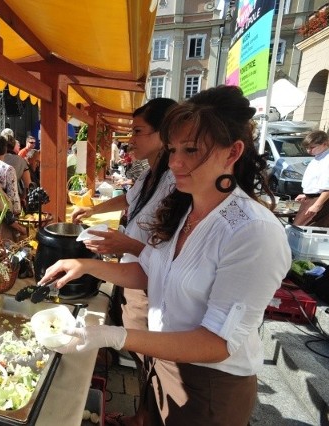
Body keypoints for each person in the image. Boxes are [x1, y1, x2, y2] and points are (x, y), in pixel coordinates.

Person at [40, 86, 290, 425]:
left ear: (232, 153)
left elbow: (218, 343)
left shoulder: (252, 231)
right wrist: (85, 265)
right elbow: (148, 273)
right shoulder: (187, 211)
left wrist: (114, 335)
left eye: (191, 150)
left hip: (209, 385)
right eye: (173, 149)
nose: (175, 163)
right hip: (164, 360)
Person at [71, 97, 177, 426]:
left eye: (139, 131)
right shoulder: (149, 175)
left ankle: (147, 417)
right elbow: (128, 198)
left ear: (164, 134)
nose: (132, 138)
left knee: (152, 361)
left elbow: (170, 250)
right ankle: (142, 415)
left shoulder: (176, 179)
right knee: (144, 361)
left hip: (150, 284)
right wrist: (92, 210)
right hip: (133, 275)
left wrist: (124, 242)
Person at [293, 130, 329, 226]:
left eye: (312, 147)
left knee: (301, 229)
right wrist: (307, 194)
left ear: (325, 144)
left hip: (321, 201)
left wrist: (317, 205)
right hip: (312, 198)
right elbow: (316, 181)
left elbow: (327, 187)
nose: (309, 150)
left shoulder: (327, 159)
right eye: (307, 148)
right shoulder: (319, 157)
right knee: (298, 229)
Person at [0, 135, 22, 216]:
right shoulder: (8, 169)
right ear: (5, 149)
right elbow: (13, 195)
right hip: (3, 212)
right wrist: (17, 212)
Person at [3, 134, 31, 207]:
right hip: (13, 198)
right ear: (13, 145)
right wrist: (22, 197)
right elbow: (28, 184)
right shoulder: (21, 161)